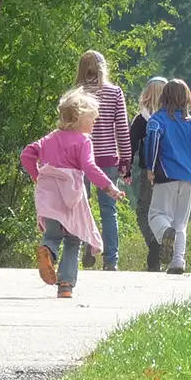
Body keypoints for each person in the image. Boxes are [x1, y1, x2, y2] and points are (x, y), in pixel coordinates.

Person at [20, 88, 126, 298]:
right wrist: (109, 187)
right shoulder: (83, 141)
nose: (95, 123)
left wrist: (36, 175)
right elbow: (90, 168)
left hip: (48, 196)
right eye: (93, 119)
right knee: (73, 239)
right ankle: (66, 285)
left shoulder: (49, 138)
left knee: (51, 235)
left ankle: (47, 252)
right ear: (79, 118)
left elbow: (26, 154)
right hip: (71, 197)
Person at [144, 79, 191, 275]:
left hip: (166, 174)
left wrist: (150, 166)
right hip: (188, 176)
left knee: (156, 215)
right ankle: (178, 261)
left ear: (163, 97)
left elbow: (153, 140)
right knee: (181, 222)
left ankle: (165, 233)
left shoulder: (158, 120)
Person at [75, 50, 131, 271]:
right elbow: (122, 130)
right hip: (107, 158)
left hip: (80, 158)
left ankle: (85, 248)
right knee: (109, 209)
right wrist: (125, 162)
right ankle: (111, 260)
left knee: (81, 206)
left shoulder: (76, 94)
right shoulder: (114, 92)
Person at [129, 76, 168, 272]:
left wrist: (125, 170)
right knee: (164, 212)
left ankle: (154, 243)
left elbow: (131, 147)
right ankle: (165, 247)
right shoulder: (172, 118)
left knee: (143, 211)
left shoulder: (141, 120)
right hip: (171, 173)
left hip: (148, 172)